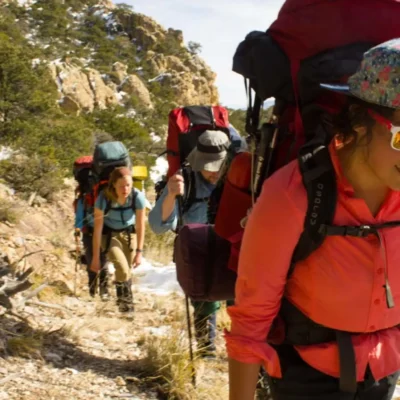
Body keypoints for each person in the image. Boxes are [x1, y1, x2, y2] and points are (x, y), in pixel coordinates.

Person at [226, 39, 400, 399]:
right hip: (306, 379)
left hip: (384, 372)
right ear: (362, 121)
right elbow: (250, 324)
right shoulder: (293, 194)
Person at [149, 129, 235, 358]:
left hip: (234, 247)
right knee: (204, 301)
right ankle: (206, 349)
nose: (213, 172)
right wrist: (170, 196)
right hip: (201, 252)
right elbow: (158, 226)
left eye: (218, 166)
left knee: (241, 302)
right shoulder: (184, 179)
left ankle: (244, 353)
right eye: (208, 166)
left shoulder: (238, 177)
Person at [90, 166, 146, 313]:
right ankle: (126, 307)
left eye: (128, 185)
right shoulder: (103, 198)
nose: (125, 189)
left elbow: (141, 226)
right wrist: (96, 258)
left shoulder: (137, 196)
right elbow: (97, 229)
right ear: (113, 184)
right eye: (121, 185)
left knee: (127, 271)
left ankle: (124, 304)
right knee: (122, 268)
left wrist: (139, 251)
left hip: (129, 235)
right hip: (109, 236)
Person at [74, 194, 108, 300]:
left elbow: (79, 218)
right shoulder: (103, 197)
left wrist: (77, 234)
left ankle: (95, 290)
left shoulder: (83, 200)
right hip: (104, 233)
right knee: (102, 261)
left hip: (89, 233)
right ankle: (101, 291)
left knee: (93, 261)